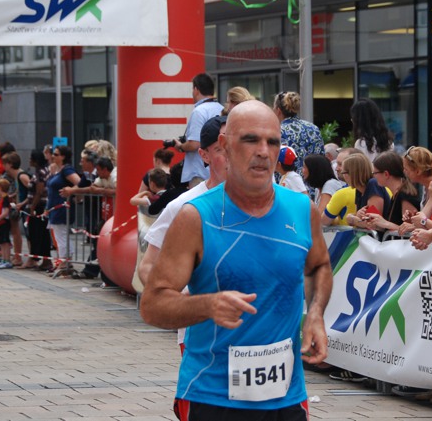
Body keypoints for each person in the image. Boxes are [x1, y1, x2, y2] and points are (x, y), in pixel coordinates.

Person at [140, 101, 332, 419]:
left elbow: (319, 266)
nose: (263, 152)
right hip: (214, 395)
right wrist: (207, 305)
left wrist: (315, 314)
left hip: (286, 396)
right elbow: (152, 305)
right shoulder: (194, 216)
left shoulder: (302, 209)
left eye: (272, 142)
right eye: (250, 140)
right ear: (225, 147)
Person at [139, 115, 228, 288]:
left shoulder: (265, 201)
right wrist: (176, 300)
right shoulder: (184, 205)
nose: (230, 155)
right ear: (204, 155)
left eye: (235, 146)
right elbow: (148, 266)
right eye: (220, 149)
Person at [174, 73, 223, 188]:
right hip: (219, 170)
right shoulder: (221, 108)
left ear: (196, 90)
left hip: (200, 173)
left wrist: (181, 146)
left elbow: (194, 144)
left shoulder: (199, 111)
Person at [322, 154, 389, 228]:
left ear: (353, 173)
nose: (344, 176)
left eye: (344, 173)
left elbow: (372, 224)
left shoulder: (373, 184)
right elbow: (360, 217)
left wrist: (352, 219)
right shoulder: (359, 190)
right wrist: (353, 217)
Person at [362, 151, 421, 233]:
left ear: (386, 174)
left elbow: (410, 231)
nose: (374, 176)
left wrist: (385, 223)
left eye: (375, 173)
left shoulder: (404, 196)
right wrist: (376, 223)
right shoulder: (396, 194)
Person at [45, 145, 81, 275]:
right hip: (55, 208)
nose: (53, 156)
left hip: (62, 208)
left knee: (61, 236)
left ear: (63, 156)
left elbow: (80, 182)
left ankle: (64, 263)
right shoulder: (58, 170)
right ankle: (65, 262)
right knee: (60, 236)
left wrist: (71, 191)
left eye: (56, 154)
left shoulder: (67, 170)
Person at [272, 91, 324, 174]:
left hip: (285, 181)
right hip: (310, 181)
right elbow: (321, 159)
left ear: (278, 111)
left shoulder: (276, 131)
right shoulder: (313, 129)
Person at [24, 149, 52, 271]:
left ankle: (44, 260)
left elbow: (39, 191)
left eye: (31, 158)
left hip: (39, 207)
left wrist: (32, 207)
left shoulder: (40, 172)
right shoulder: (44, 170)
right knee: (42, 234)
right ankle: (45, 260)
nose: (29, 160)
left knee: (38, 234)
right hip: (39, 205)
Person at [402, 146, 432, 219]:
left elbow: (424, 221)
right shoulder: (425, 185)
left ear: (418, 171)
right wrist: (413, 219)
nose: (404, 171)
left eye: (406, 169)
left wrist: (418, 220)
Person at [0, 178, 14, 269]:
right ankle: (3, 259)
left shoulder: (5, 199)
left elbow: (5, 212)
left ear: (0, 188)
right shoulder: (2, 199)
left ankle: (7, 260)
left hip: (4, 223)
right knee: (2, 242)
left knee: (5, 242)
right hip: (0, 223)